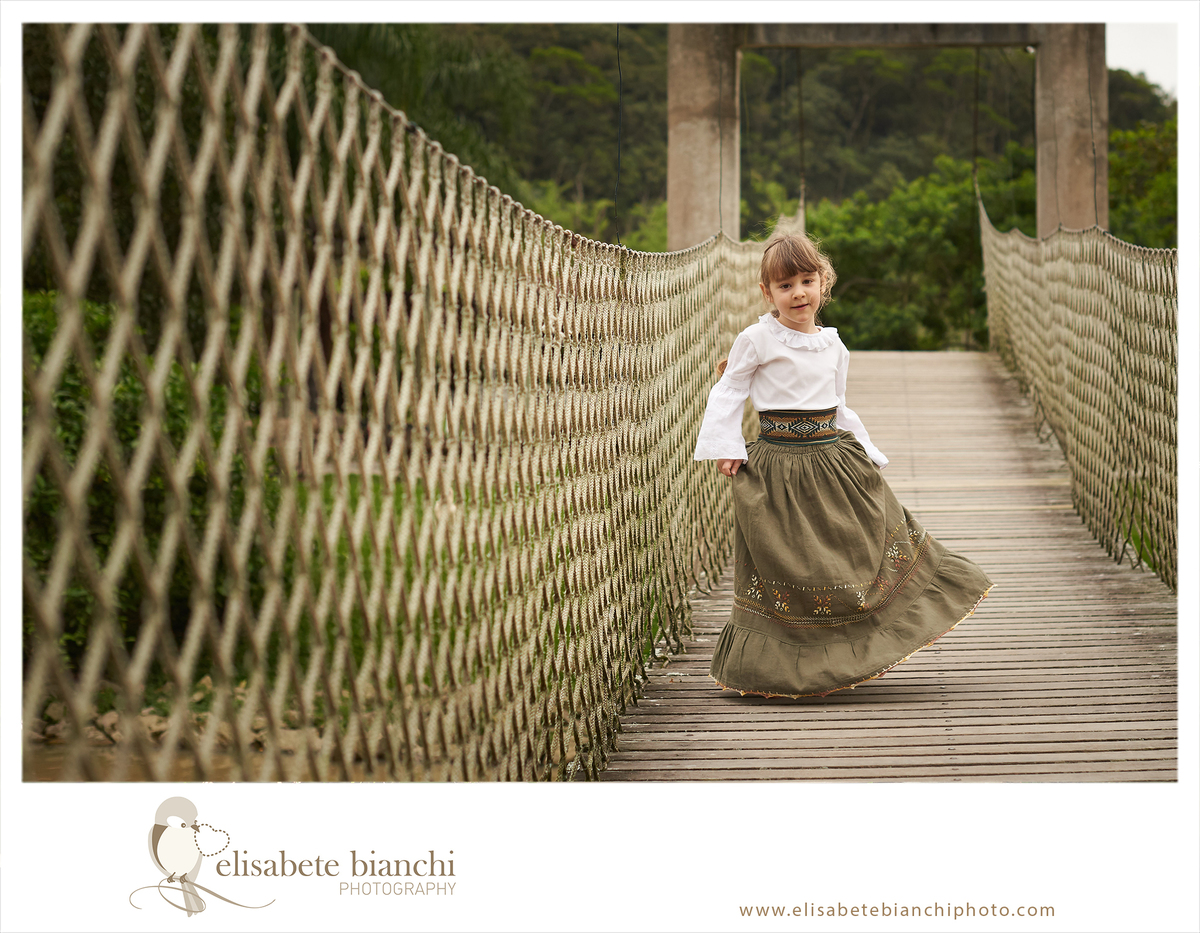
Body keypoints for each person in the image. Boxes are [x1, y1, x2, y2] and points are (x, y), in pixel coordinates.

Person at [694, 232, 993, 698]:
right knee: (795, 562)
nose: (798, 293)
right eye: (785, 285)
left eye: (807, 281)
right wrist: (726, 443)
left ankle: (855, 646)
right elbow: (729, 390)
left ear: (823, 283)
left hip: (833, 459)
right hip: (780, 469)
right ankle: (793, 663)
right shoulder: (755, 339)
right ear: (766, 293)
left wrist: (868, 451)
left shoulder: (833, 346)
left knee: (851, 548)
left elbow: (840, 406)